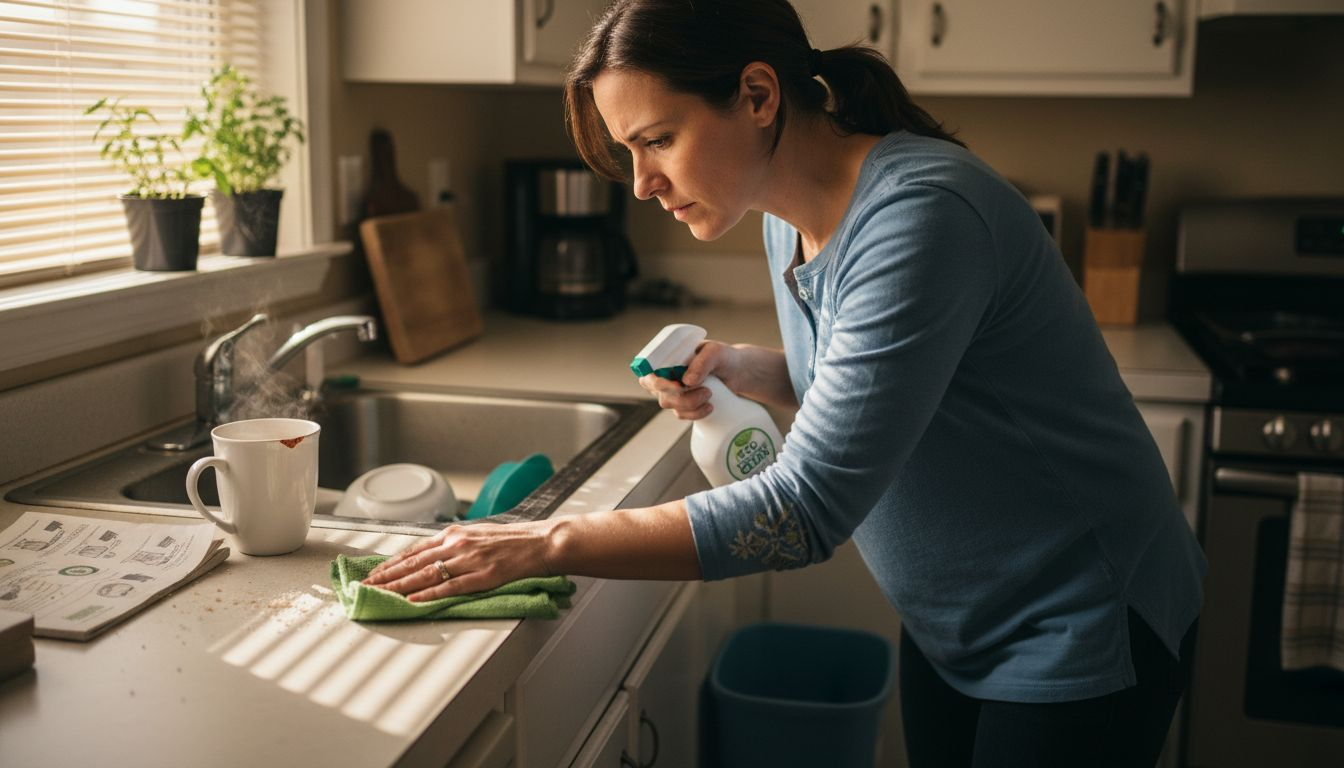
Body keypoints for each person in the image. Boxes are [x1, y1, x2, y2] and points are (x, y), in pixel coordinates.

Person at [362, 1, 1206, 765]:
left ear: (758, 95)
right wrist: (744, 368)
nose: (642, 182)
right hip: (960, 621)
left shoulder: (921, 218)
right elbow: (876, 395)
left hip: (1084, 623)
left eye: (657, 140)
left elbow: (802, 512)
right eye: (628, 153)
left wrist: (549, 542)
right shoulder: (783, 220)